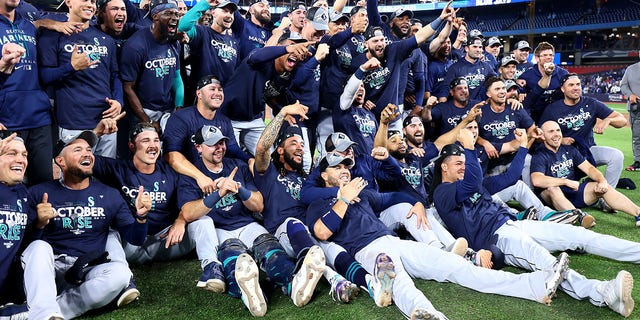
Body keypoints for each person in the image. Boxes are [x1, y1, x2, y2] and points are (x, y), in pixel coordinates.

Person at [307, 152, 569, 319]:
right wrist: (342, 199)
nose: (344, 168)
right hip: (368, 251)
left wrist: (417, 203)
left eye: (346, 164)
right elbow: (321, 231)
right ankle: (428, 316)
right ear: (323, 175)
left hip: (394, 241)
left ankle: (534, 286)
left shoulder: (361, 192)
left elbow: (392, 197)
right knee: (398, 285)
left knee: (458, 267)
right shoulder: (319, 203)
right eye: (336, 166)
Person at [432, 136, 637, 318]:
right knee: (550, 264)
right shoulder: (442, 193)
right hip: (498, 238)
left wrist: (523, 147)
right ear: (444, 167)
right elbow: (471, 182)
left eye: (465, 164)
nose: (463, 167)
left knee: (579, 235)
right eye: (459, 163)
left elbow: (511, 177)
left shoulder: (474, 183)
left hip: (516, 223)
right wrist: (469, 147)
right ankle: (602, 293)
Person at [179, 124, 327, 316]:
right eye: (213, 144)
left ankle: (293, 284)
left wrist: (238, 188)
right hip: (219, 229)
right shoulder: (192, 175)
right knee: (234, 256)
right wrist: (218, 193)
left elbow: (258, 205)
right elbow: (189, 213)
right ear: (199, 147)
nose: (219, 148)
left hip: (247, 223)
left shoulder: (237, 166)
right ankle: (253, 295)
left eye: (222, 143)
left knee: (270, 249)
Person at [22, 130, 151, 319]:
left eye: (89, 150)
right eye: (77, 150)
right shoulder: (38, 193)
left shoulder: (109, 194)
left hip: (87, 269)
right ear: (60, 161)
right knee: (39, 247)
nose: (87, 154)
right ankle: (43, 310)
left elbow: (136, 239)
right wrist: (39, 224)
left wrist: (141, 217)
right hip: (50, 269)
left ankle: (46, 312)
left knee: (121, 274)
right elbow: (25, 247)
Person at [92, 122, 223, 293]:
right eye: (145, 140)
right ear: (131, 146)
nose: (153, 145)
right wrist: (96, 133)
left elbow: (187, 204)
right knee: (108, 234)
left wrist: (180, 221)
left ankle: (212, 269)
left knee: (203, 221)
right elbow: (75, 155)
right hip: (131, 245)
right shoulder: (117, 168)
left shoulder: (171, 171)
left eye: (156, 140)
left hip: (166, 241)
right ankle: (124, 280)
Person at [38, 0, 123, 158]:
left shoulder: (107, 40)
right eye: (85, 0)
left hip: (106, 121)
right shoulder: (52, 36)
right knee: (75, 178)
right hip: (74, 122)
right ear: (69, 2)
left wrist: (118, 100)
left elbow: (115, 76)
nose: (90, 5)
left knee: (105, 176)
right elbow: (43, 77)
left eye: (93, 2)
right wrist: (71, 67)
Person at [531, 121, 640, 227]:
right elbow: (537, 180)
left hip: (572, 191)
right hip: (552, 198)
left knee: (603, 187)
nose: (556, 134)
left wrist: (602, 181)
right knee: (553, 189)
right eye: (551, 131)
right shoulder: (540, 155)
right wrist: (565, 181)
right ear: (543, 136)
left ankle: (638, 213)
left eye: (558, 130)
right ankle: (580, 217)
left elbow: (589, 169)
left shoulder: (569, 150)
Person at [539, 73, 627, 205]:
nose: (576, 88)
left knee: (616, 156)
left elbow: (622, 120)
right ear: (563, 89)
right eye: (571, 85)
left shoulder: (591, 103)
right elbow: (541, 134)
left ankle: (606, 199)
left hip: (587, 152)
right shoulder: (553, 109)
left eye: (578, 84)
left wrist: (608, 120)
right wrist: (560, 140)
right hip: (562, 155)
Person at [163, 75, 250, 193]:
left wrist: (250, 160)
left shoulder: (224, 120)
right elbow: (171, 156)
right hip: (186, 178)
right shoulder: (181, 118)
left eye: (220, 90)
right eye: (212, 89)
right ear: (199, 94)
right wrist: (199, 176)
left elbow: (233, 149)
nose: (218, 93)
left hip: (213, 175)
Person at [0, 0, 55, 185]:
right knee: (9, 185)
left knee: (43, 184)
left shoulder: (28, 26)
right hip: (7, 120)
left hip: (39, 117)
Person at [121, 0, 182, 132]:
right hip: (143, 110)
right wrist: (146, 120)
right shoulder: (135, 46)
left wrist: (178, 108)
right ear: (155, 16)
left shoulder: (174, 43)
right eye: (169, 13)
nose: (174, 18)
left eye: (177, 15)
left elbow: (177, 78)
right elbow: (128, 88)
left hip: (167, 109)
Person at [0, 132, 34, 317]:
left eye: (24, 154)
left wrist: (40, 224)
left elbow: (27, 242)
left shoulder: (23, 193)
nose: (20, 160)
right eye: (11, 153)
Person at [179, 0, 239, 86]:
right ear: (213, 13)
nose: (229, 15)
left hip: (224, 95)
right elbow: (182, 27)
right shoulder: (201, 32)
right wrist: (206, 3)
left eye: (231, 12)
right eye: (225, 11)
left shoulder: (234, 42)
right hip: (201, 95)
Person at [518, 41, 569, 122]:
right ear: (537, 58)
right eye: (545, 55)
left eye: (551, 55)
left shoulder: (563, 74)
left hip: (559, 117)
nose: (549, 57)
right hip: (535, 118)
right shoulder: (526, 76)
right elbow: (521, 96)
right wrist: (521, 93)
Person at [443, 36, 498, 102]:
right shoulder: (455, 67)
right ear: (466, 48)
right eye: (474, 47)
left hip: (481, 107)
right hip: (462, 107)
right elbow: (446, 89)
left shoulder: (486, 66)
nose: (478, 50)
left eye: (480, 47)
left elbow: (496, 82)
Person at [620, 49, 640, 171]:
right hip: (636, 107)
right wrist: (630, 95)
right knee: (637, 136)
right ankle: (638, 161)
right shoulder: (631, 69)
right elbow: (623, 85)